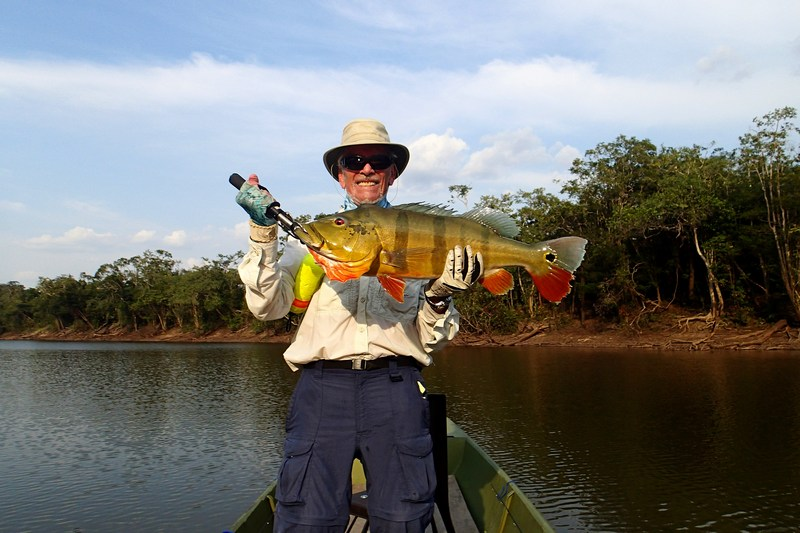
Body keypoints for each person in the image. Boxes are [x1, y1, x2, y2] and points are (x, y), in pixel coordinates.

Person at [235, 119, 482, 532]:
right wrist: (263, 234)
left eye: (378, 161)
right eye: (354, 161)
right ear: (341, 175)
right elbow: (266, 307)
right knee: (305, 519)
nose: (366, 169)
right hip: (321, 391)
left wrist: (439, 295)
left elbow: (431, 340)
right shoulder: (315, 241)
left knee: (405, 516)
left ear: (392, 172)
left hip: (395, 387)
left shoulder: (421, 242)